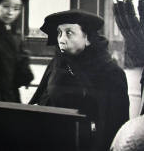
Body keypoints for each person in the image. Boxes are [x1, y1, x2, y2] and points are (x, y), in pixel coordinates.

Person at [28, 9, 129, 151]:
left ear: (87, 38)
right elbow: (44, 100)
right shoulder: (57, 63)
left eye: (69, 33)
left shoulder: (110, 73)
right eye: (59, 33)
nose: (61, 39)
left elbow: (116, 125)